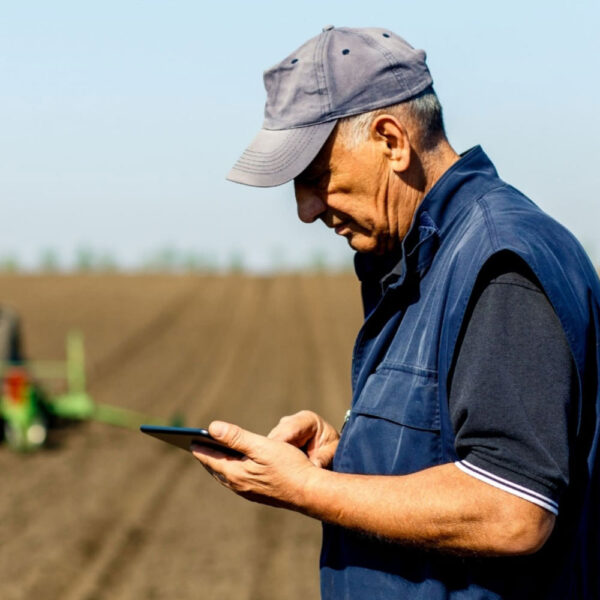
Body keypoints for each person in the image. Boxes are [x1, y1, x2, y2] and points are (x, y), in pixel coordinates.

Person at [191, 26, 600, 599]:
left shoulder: (498, 263)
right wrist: (350, 454)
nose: (306, 211)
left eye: (314, 178)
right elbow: (449, 453)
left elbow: (512, 510)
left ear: (391, 141)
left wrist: (305, 489)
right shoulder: (425, 260)